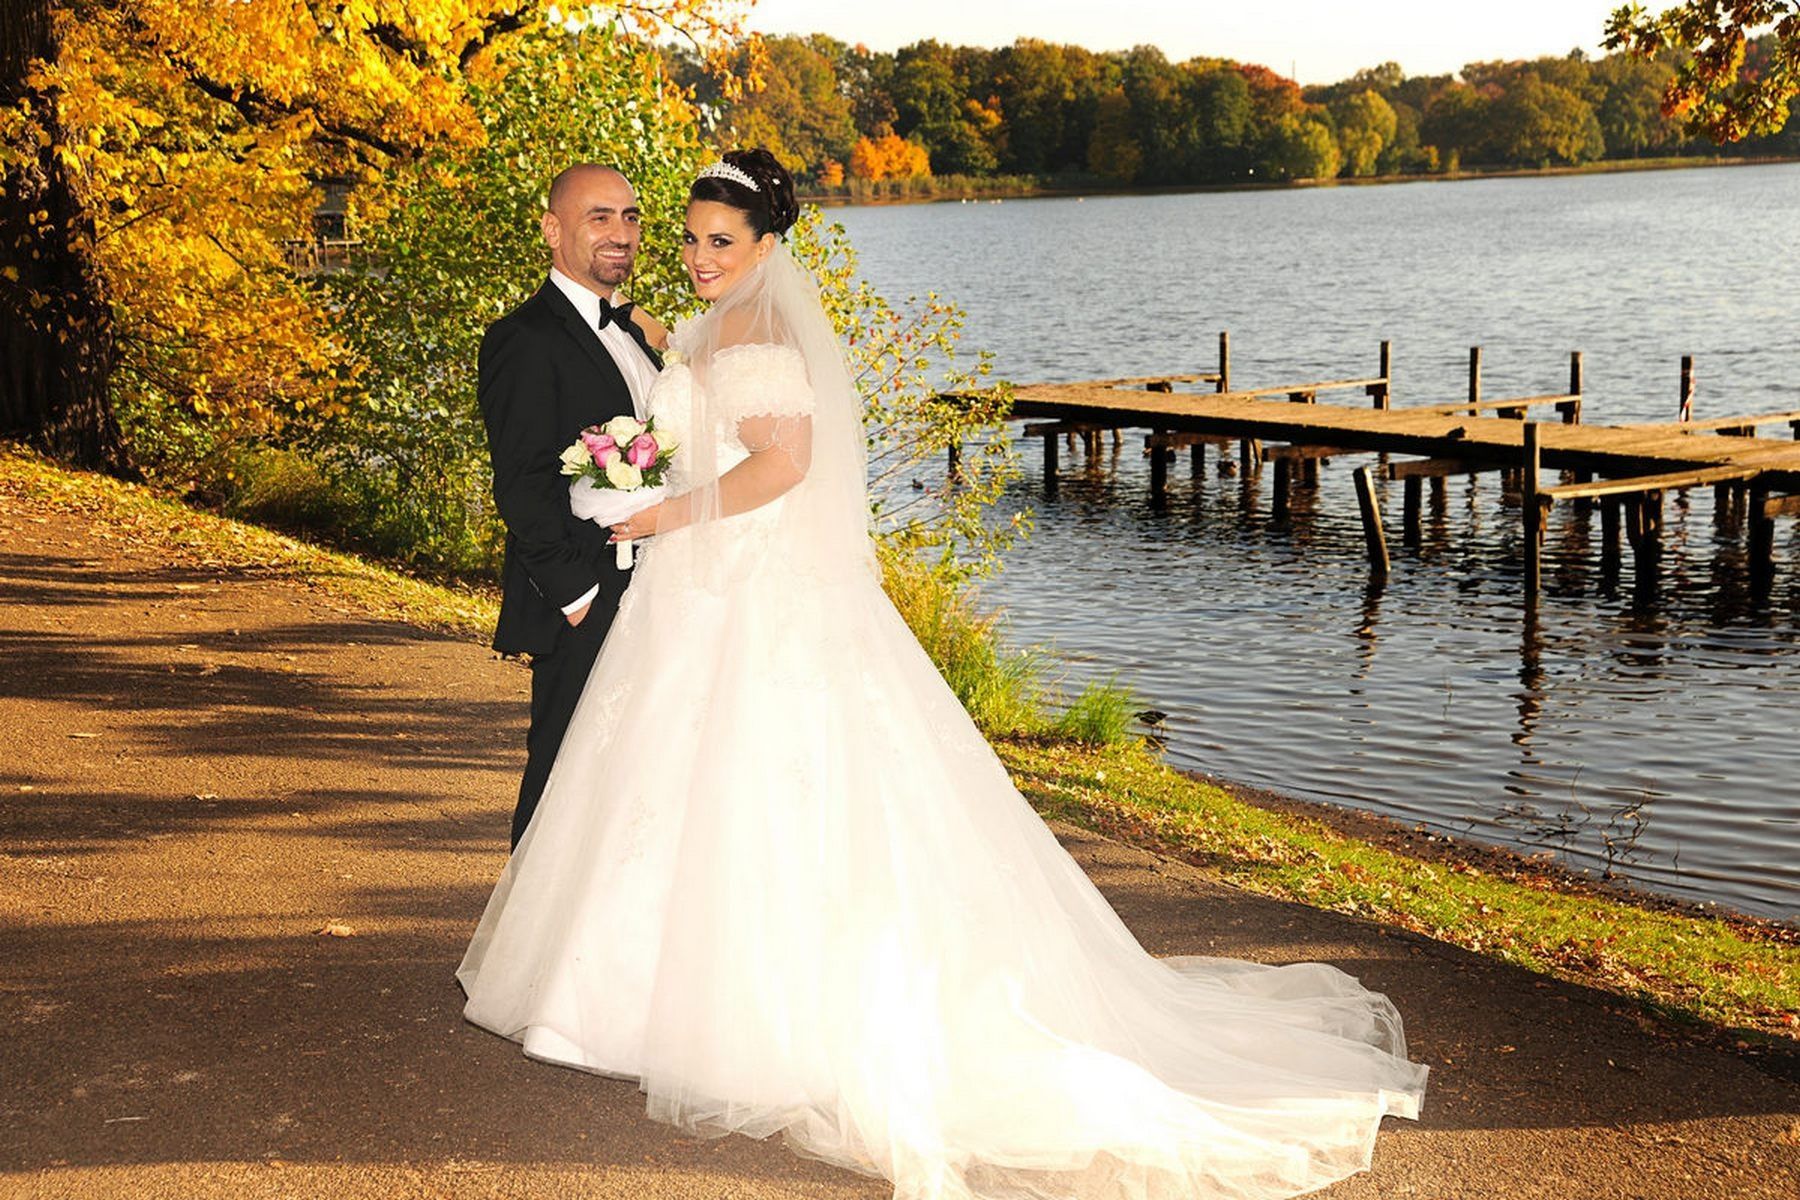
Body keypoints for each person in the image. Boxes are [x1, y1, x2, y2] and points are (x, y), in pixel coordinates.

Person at [459, 148, 1427, 1200]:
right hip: (693, 598)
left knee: (768, 795)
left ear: (765, 247)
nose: (692, 254)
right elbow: (658, 418)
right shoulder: (692, 327)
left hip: (747, 592)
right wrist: (654, 404)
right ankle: (635, 1001)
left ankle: (757, 1024)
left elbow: (784, 463)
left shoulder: (765, 332)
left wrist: (665, 512)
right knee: (675, 795)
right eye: (685, 236)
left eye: (716, 240)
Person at [476, 163, 664, 849]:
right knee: (561, 777)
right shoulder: (522, 339)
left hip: (663, 590)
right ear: (553, 229)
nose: (621, 233)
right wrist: (578, 594)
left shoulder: (637, 335)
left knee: (640, 779)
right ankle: (521, 957)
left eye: (631, 216)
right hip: (588, 598)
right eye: (599, 217)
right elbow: (520, 484)